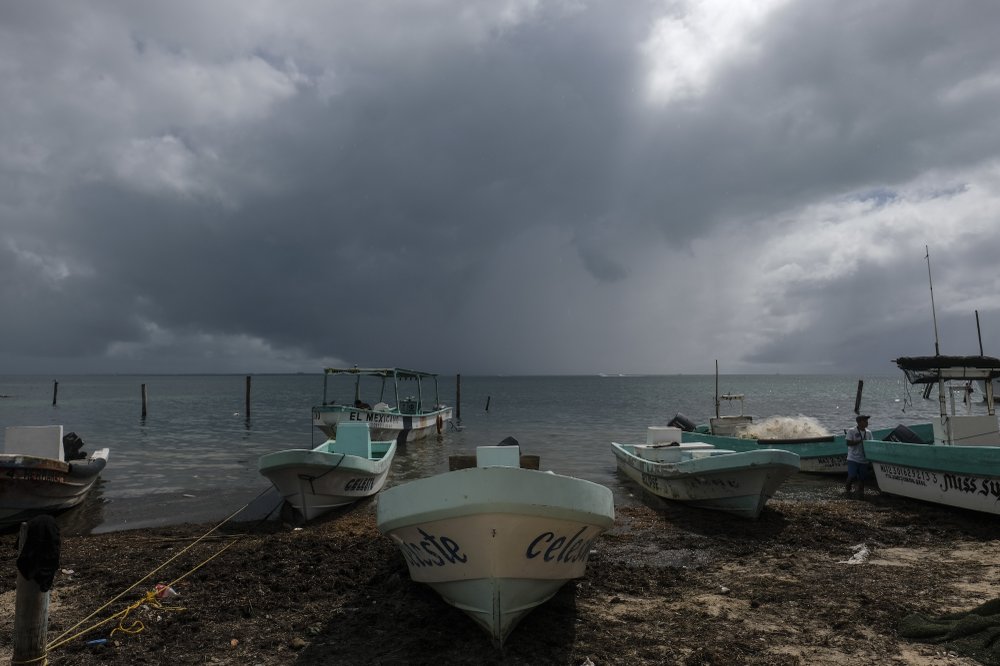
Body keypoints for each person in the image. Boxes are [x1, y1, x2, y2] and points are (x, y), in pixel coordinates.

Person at [845, 414, 872, 499]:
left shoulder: (869, 432)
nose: (867, 422)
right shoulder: (851, 431)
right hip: (853, 458)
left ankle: (861, 495)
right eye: (865, 421)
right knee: (852, 476)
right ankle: (847, 492)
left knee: (862, 479)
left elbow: (871, 444)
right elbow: (848, 443)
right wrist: (859, 441)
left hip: (864, 460)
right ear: (859, 422)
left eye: (867, 421)